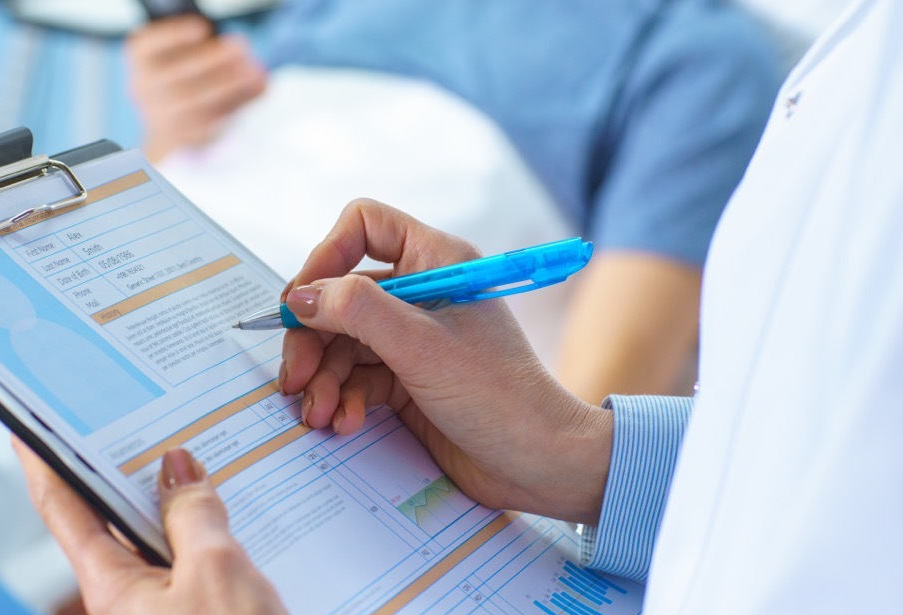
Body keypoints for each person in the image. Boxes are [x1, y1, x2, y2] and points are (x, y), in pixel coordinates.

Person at [14, 0, 903, 615]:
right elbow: (819, 475)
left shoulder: (695, 57)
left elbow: (820, 593)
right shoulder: (304, 18)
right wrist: (584, 454)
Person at [124, 0, 781, 406]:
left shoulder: (703, 62)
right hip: (138, 297)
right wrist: (171, 134)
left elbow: (582, 419)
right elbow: (230, 166)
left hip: (301, 404)